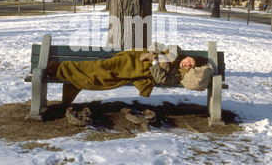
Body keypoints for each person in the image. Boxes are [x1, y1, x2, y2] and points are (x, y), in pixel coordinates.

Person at [45, 46, 208, 106]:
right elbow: (154, 46)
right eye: (190, 60)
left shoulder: (179, 75)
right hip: (132, 59)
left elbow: (160, 79)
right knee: (102, 66)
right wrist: (157, 55)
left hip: (138, 70)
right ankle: (63, 69)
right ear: (188, 57)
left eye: (191, 66)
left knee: (103, 73)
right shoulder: (174, 51)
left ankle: (63, 70)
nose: (188, 64)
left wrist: (155, 61)